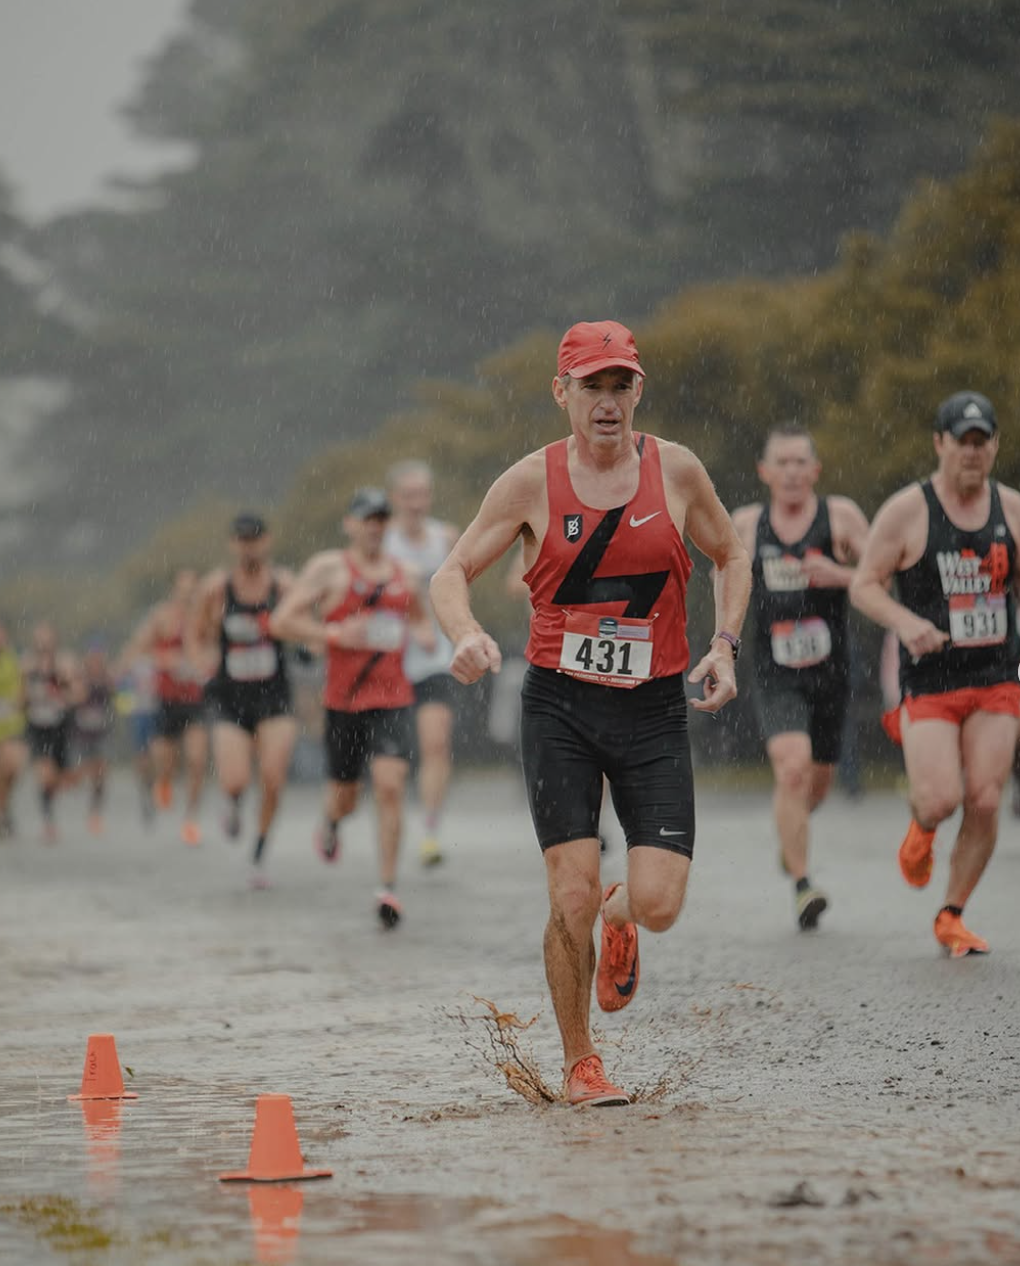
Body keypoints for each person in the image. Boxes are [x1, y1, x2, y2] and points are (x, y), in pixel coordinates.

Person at [430, 319, 751, 1106]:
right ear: (562, 393)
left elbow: (730, 552)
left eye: (621, 386)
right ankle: (581, 1063)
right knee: (566, 891)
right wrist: (465, 632)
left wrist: (725, 645)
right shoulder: (529, 483)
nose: (607, 403)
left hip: (652, 710)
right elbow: (451, 570)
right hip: (559, 710)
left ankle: (621, 912)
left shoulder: (675, 471)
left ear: (638, 390)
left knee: (661, 905)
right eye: (591, 387)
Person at [850, 390, 1020, 957]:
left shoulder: (1012, 510)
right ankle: (921, 830)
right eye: (962, 442)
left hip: (997, 675)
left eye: (983, 442)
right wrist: (906, 623)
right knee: (941, 798)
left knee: (988, 799)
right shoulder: (908, 510)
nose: (973, 453)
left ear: (995, 445)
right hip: (932, 679)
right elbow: (864, 585)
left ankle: (952, 914)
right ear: (940, 443)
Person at [271, 487, 436, 929]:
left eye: (382, 519)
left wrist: (424, 635)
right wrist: (334, 635)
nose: (375, 527)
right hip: (344, 702)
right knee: (346, 798)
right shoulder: (329, 569)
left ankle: (388, 888)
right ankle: (330, 821)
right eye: (367, 518)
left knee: (390, 785)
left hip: (393, 698)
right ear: (350, 524)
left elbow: (418, 617)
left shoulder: (407, 574)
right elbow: (282, 620)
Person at [730, 426, 869, 931]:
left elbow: (886, 576)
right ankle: (803, 885)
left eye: (799, 463)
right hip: (774, 671)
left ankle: (792, 841)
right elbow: (723, 581)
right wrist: (721, 646)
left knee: (816, 784)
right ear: (765, 473)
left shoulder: (842, 517)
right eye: (780, 463)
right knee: (792, 768)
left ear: (815, 471)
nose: (790, 472)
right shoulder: (747, 525)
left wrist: (842, 576)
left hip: (831, 671)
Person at [188, 514, 298, 888]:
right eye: (242, 539)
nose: (249, 545)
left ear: (267, 541)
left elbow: (305, 623)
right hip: (230, 697)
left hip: (274, 695)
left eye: (255, 538)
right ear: (232, 544)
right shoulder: (216, 590)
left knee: (273, 778)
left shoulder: (283, 585)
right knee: (235, 780)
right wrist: (201, 661)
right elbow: (196, 633)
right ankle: (233, 803)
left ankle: (258, 854)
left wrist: (305, 641)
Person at [383, 461, 461, 867]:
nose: (416, 504)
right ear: (394, 498)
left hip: (433, 659)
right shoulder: (382, 543)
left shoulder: (445, 537)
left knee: (435, 743)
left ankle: (430, 830)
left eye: (422, 494)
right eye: (408, 495)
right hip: (388, 662)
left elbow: (461, 588)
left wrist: (460, 631)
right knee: (389, 760)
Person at [121, 570, 209, 845]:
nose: (188, 596)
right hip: (166, 700)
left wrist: (205, 663)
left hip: (195, 701)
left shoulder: (205, 618)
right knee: (164, 760)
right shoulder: (162, 617)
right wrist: (166, 659)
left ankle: (191, 819)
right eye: (183, 591)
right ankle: (164, 782)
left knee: (197, 761)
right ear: (174, 591)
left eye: (193, 591)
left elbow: (217, 649)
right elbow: (135, 651)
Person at [20, 622, 77, 842]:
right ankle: (48, 821)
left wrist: (61, 689)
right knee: (44, 775)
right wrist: (29, 694)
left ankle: (53, 799)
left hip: (59, 726)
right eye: (39, 638)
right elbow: (21, 699)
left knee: (56, 778)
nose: (43, 643)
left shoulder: (64, 663)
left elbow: (77, 694)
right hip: (37, 727)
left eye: (47, 638)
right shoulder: (27, 665)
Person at [70, 642, 117, 835]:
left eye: (99, 659)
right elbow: (74, 698)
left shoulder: (107, 679)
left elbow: (115, 696)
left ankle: (95, 813)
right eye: (93, 659)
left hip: (101, 733)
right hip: (82, 734)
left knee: (101, 773)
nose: (96, 663)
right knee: (81, 773)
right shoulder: (81, 678)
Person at [0, 620, 28, 837]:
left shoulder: (14, 660)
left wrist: (20, 700)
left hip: (12, 725)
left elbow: (22, 690)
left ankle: (5, 806)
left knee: (14, 767)